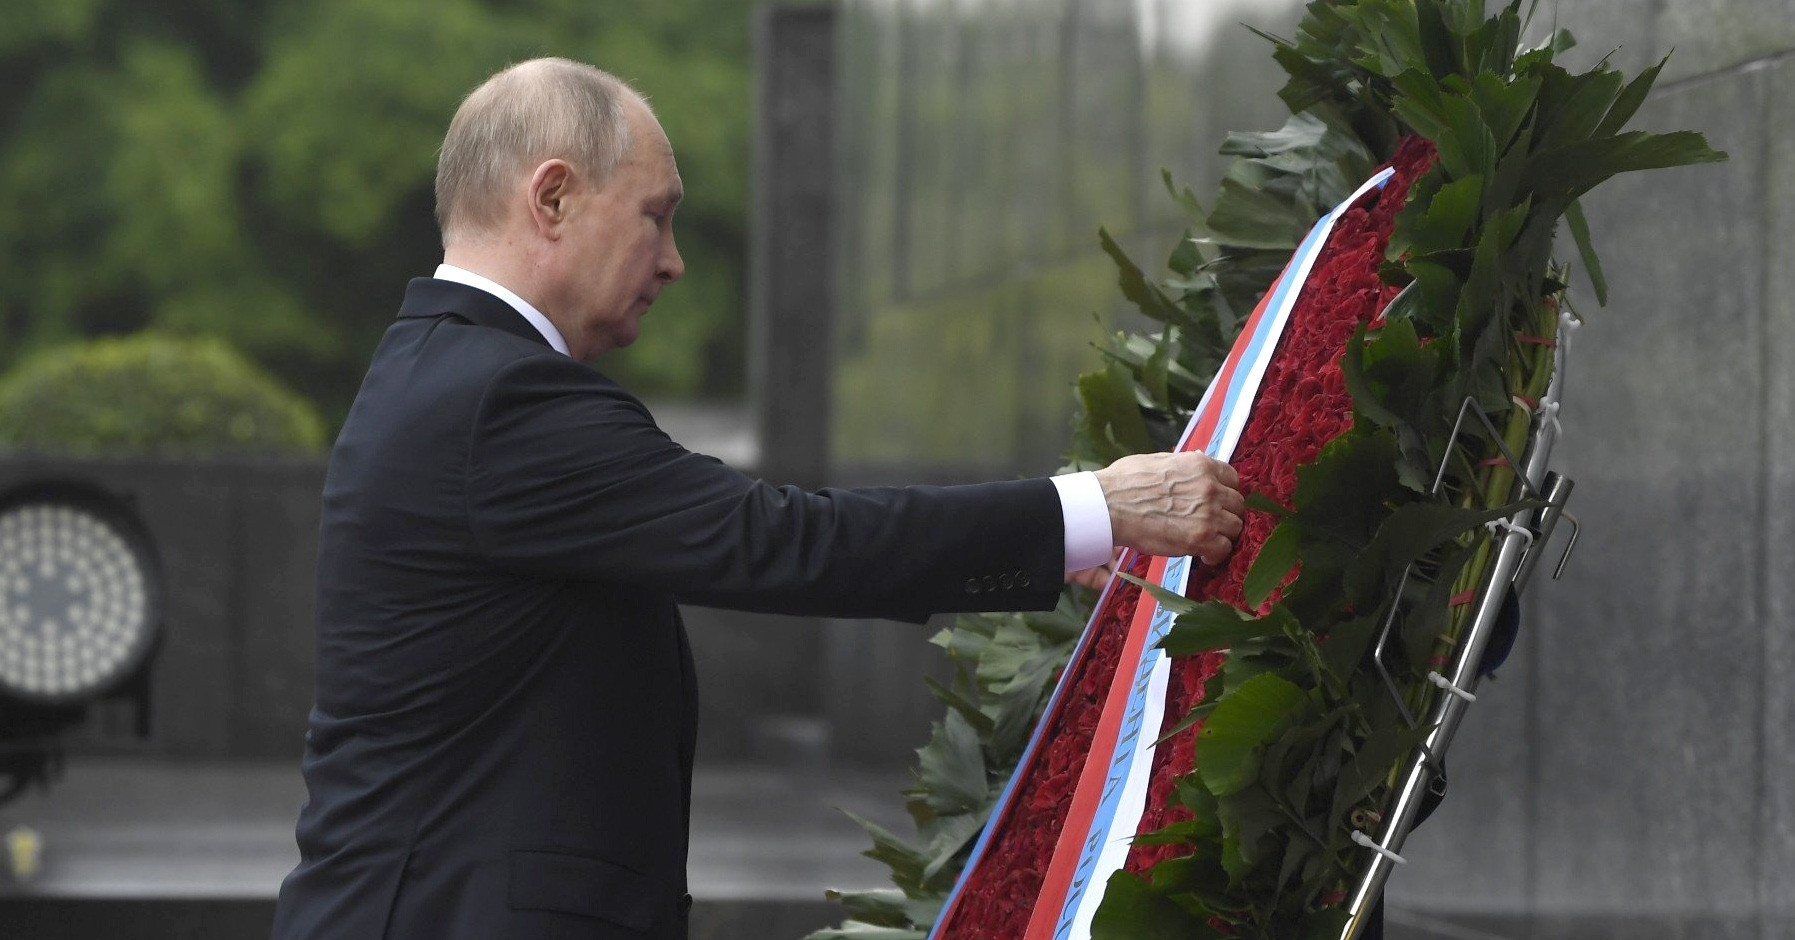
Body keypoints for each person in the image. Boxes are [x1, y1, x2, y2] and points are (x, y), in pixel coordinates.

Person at [269, 58, 1245, 940]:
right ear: (554, 197)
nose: (673, 260)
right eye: (655, 214)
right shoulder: (499, 397)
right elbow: (778, 539)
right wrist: (1101, 509)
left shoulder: (441, 372)